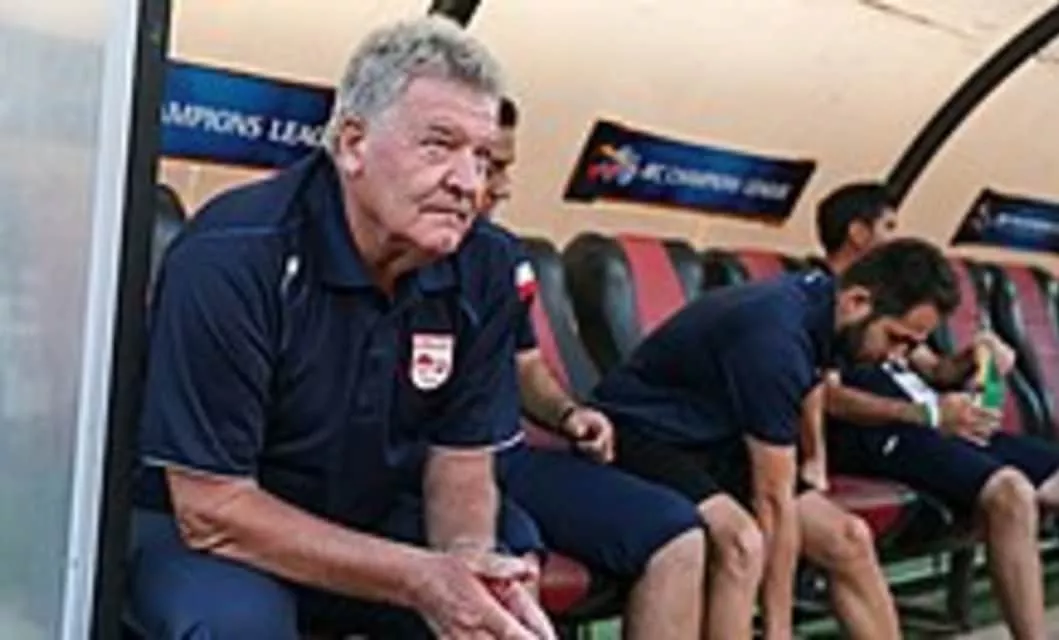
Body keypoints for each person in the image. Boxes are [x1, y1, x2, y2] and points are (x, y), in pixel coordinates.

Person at [126, 18, 556, 639]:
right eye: (439, 146)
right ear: (353, 143)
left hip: (365, 512)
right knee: (238, 622)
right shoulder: (234, 257)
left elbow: (461, 462)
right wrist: (420, 578)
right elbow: (211, 511)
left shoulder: (485, 263)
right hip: (207, 527)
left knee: (503, 570)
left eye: (482, 157)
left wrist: (465, 560)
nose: (469, 183)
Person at [593, 238, 964, 640]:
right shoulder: (775, 340)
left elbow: (811, 385)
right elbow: (773, 503)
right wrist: (778, 628)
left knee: (849, 538)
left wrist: (815, 456)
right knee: (742, 543)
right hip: (641, 433)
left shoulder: (826, 304)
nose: (898, 357)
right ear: (858, 301)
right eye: (896, 338)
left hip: (714, 437)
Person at [468, 96, 709, 639]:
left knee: (678, 536)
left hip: (512, 459)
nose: (503, 188)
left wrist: (568, 414)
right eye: (491, 167)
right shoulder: (391, 255)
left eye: (506, 168)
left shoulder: (502, 256)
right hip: (433, 470)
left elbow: (527, 367)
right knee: (509, 570)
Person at [815, 182, 1059, 640]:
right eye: (889, 226)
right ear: (858, 233)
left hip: (937, 422)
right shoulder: (824, 301)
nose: (898, 236)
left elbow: (937, 371)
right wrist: (924, 415)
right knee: (1011, 492)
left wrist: (975, 356)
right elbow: (824, 396)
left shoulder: (895, 299)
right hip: (883, 432)